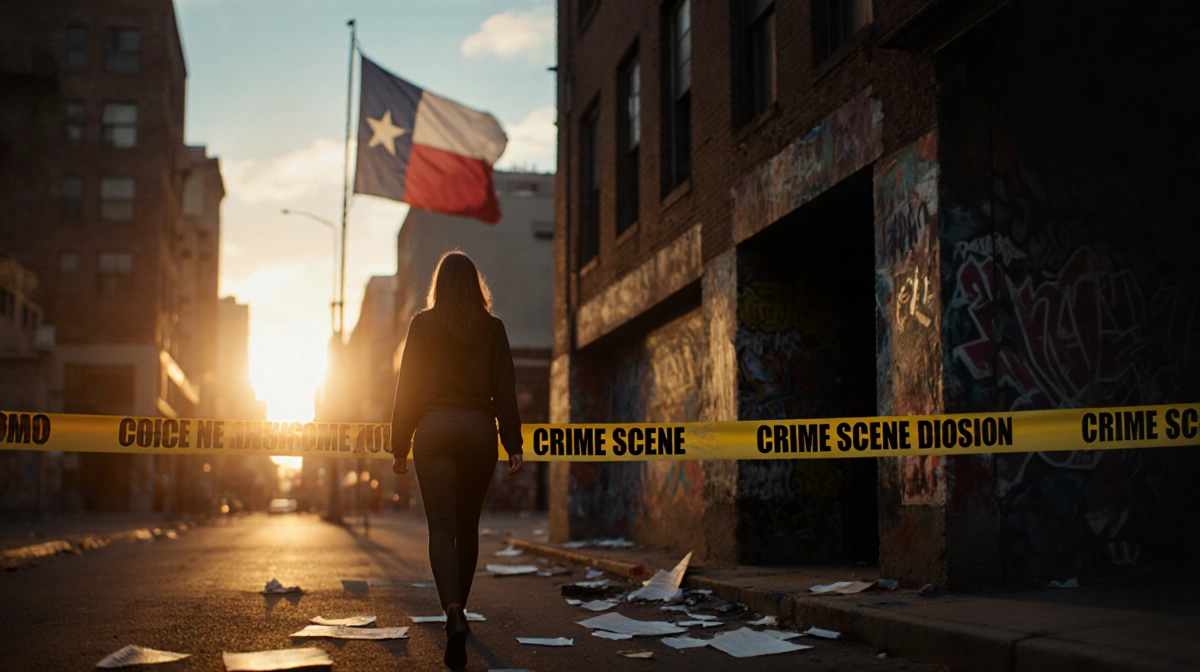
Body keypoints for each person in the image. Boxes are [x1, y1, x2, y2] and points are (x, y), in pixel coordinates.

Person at [390, 251, 524, 670]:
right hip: (479, 433)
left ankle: (452, 612)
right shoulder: (493, 328)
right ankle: (459, 613)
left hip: (433, 432)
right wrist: (513, 442)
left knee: (441, 526)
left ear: (438, 286)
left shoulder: (422, 325)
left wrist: (399, 444)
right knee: (467, 527)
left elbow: (407, 386)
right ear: (475, 285)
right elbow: (505, 388)